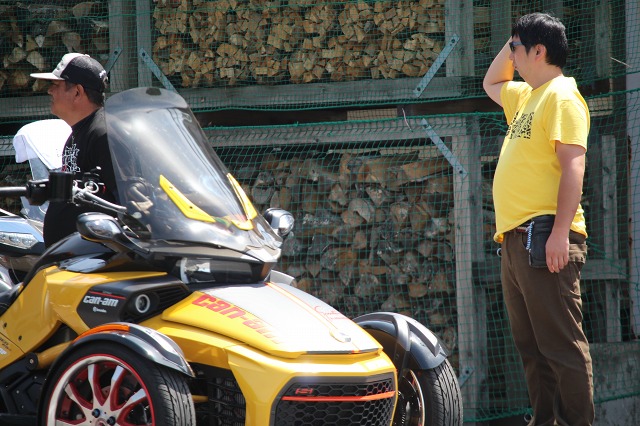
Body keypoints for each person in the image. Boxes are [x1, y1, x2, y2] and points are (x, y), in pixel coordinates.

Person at [482, 12, 593, 426]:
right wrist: (514, 39)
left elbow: (573, 166)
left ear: (539, 51)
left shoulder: (561, 96)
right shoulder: (527, 96)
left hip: (545, 235)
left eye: (516, 48)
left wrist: (560, 233)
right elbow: (491, 83)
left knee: (561, 347)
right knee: (532, 349)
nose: (511, 56)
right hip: (516, 241)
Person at [30, 53, 118, 247]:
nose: (49, 91)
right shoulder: (80, 133)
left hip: (98, 259)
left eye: (56, 85)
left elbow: (125, 203)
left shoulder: (104, 134)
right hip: (74, 257)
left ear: (77, 92)